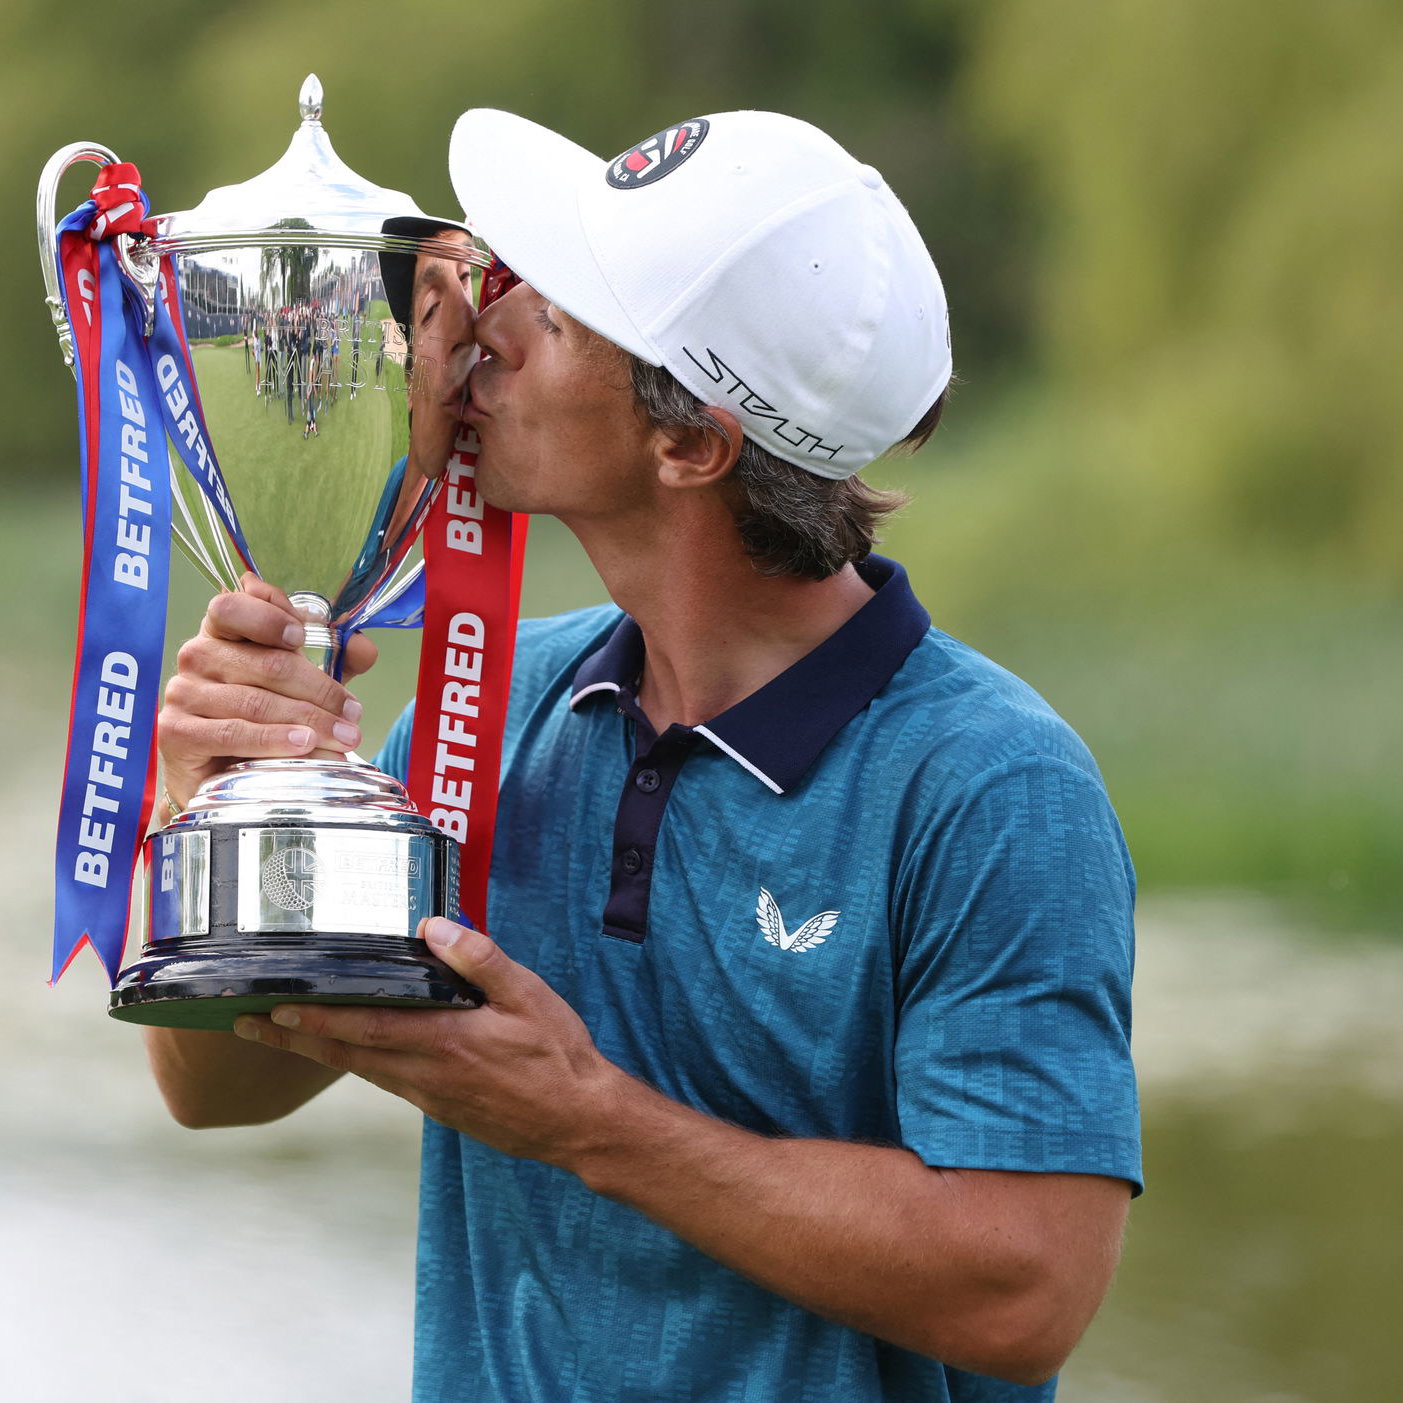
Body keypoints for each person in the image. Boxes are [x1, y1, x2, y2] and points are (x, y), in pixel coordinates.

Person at [147, 110, 1140, 1402]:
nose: (486, 327)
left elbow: (1026, 1292)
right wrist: (213, 810)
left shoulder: (993, 787)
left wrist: (585, 1119)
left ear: (690, 444)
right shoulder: (490, 702)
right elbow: (220, 1087)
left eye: (557, 315)